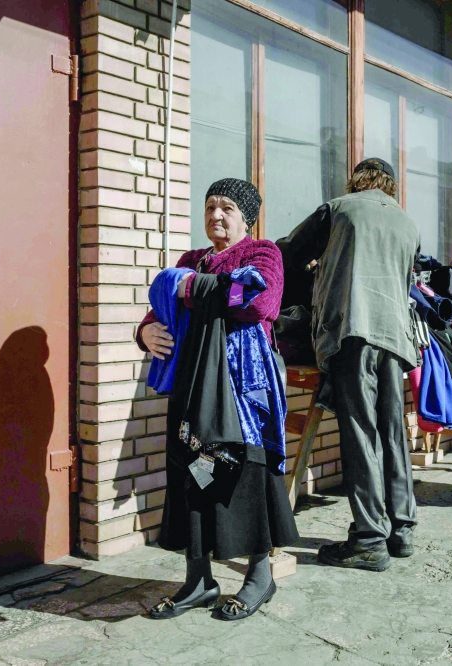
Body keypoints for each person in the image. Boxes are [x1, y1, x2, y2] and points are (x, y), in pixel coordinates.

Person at [136, 178, 298, 622]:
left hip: (242, 383)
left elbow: (259, 302)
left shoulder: (263, 253)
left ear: (247, 217)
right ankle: (199, 580)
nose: (216, 215)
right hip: (192, 383)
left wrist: (190, 290)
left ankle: (259, 576)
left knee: (246, 468)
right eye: (210, 207)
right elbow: (160, 307)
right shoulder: (192, 260)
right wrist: (144, 332)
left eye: (227, 207)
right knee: (191, 470)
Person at [278, 158, 420, 571]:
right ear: (391, 186)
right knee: (393, 433)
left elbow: (289, 253)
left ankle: (369, 540)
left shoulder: (339, 209)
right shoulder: (409, 225)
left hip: (353, 330)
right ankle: (401, 530)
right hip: (396, 338)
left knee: (360, 432)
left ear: (356, 181)